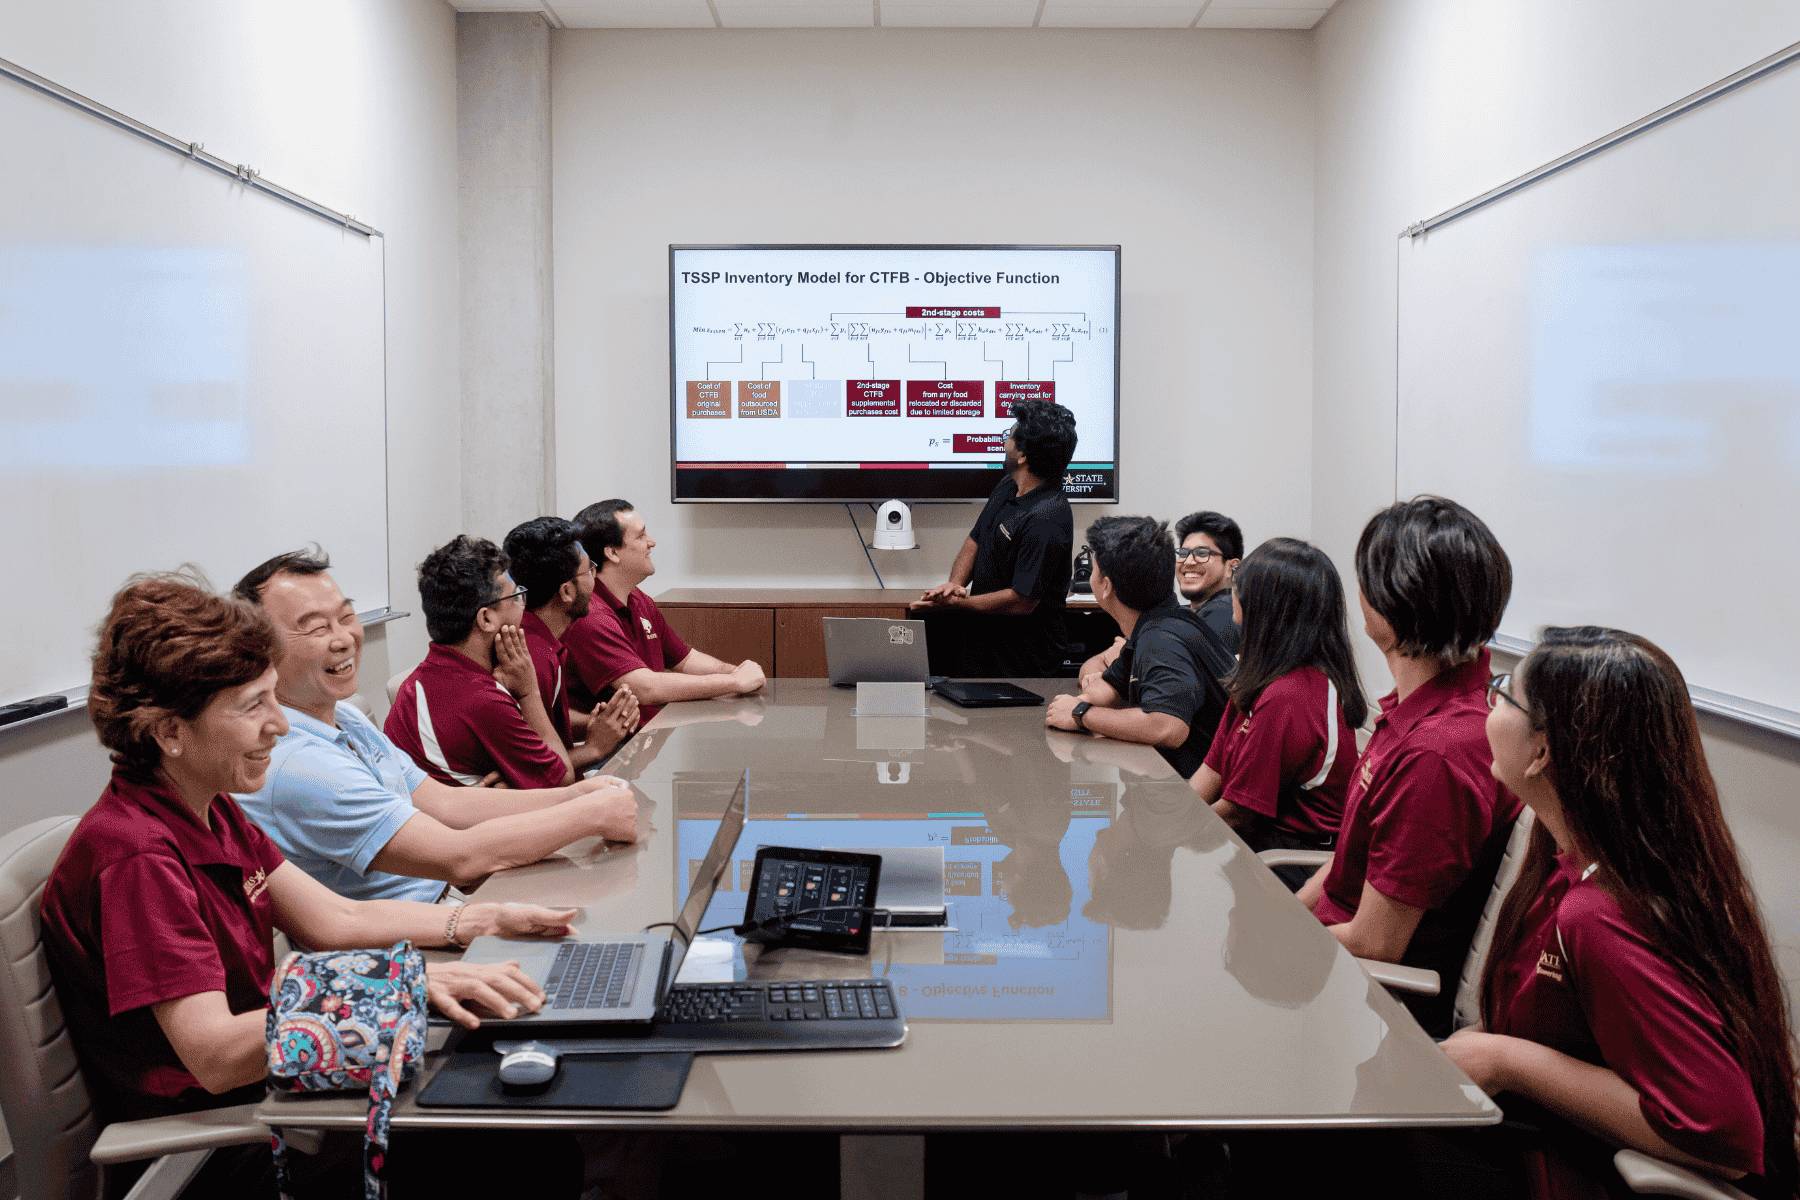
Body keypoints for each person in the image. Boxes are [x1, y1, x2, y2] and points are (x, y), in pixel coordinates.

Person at [38, 573, 584, 1197]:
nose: (279, 724)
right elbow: (215, 1056)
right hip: (216, 1149)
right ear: (169, 731)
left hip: (282, 1092)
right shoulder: (136, 855)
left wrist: (482, 921)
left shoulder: (210, 809)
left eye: (274, 697)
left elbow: (333, 921)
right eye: (252, 707)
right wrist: (405, 988)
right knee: (523, 1155)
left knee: (514, 1123)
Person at [1442, 627, 1797, 1200]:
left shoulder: (1601, 913)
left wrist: (1507, 1060)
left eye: (1504, 693)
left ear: (1543, 752)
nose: (1489, 703)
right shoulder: (1567, 856)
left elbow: (1728, 1137)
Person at [232, 549, 636, 903]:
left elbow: (445, 803)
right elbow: (459, 857)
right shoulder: (298, 764)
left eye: (346, 617)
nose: (343, 639)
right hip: (414, 936)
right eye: (318, 628)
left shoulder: (346, 715)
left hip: (448, 897)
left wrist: (580, 795)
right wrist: (587, 813)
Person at [1294, 495, 1521, 1037]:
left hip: (1368, 1006)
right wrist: (1280, 912)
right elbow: (1352, 866)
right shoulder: (1426, 713)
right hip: (1331, 946)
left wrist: (1274, 941)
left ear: (1389, 609)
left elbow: (1376, 945)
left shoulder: (1437, 753)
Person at [1188, 538, 1365, 868]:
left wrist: (1174, 837)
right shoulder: (1260, 677)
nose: (1233, 592)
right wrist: (1174, 820)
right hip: (1260, 846)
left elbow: (1237, 812)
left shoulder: (1290, 696)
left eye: (1241, 586)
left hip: (1292, 861)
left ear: (1266, 606)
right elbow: (1211, 771)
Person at [386, 535, 593, 790]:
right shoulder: (482, 698)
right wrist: (529, 692)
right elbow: (560, 778)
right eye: (516, 597)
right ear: (486, 619)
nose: (523, 608)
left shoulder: (425, 676)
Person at [1046, 516, 1233, 779]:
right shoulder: (1158, 621)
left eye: (1095, 569)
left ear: (1106, 586)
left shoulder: (1161, 640)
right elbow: (1110, 686)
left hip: (1197, 804)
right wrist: (1078, 702)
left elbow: (1168, 727)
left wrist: (1080, 713)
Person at [912, 398, 1079, 677]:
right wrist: (954, 586)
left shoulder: (1047, 517)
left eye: (1009, 436)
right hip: (983, 643)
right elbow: (975, 540)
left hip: (1024, 659)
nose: (1005, 443)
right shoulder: (1008, 485)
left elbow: (1021, 600)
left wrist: (959, 605)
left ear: (1023, 454)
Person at [565, 498, 765, 724]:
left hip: (648, 736)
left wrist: (736, 672)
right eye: (640, 536)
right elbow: (645, 688)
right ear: (612, 552)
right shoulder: (591, 615)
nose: (651, 543)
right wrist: (734, 682)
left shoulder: (638, 599)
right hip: (614, 751)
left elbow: (686, 659)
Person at [502, 516, 641, 770]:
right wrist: (596, 747)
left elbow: (542, 721)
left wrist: (595, 724)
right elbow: (538, 772)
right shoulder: (533, 658)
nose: (595, 579)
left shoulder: (543, 640)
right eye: (590, 570)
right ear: (567, 591)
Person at [1174, 509, 1243, 652]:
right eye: (1183, 553)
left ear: (1232, 566)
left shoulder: (1223, 614)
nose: (1189, 561)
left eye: (1202, 553)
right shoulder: (1189, 612)